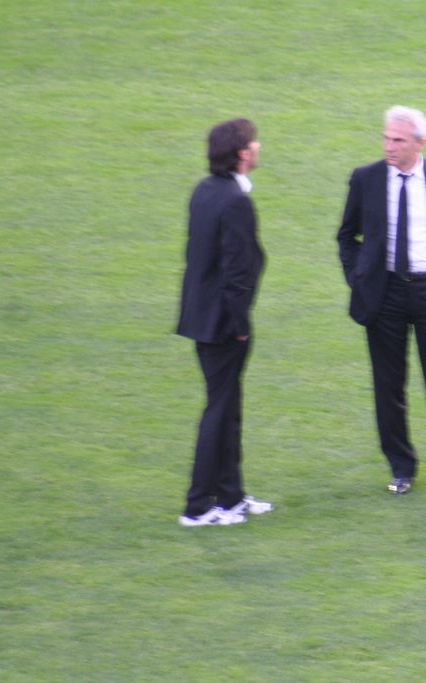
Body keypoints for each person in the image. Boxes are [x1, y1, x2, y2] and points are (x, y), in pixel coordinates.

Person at [337, 106, 426, 497]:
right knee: (388, 385)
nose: (389, 146)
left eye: (398, 140)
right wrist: (358, 279)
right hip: (384, 294)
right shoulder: (365, 178)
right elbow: (347, 235)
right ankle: (401, 468)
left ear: (420, 143)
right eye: (386, 138)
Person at [176, 118, 273, 527]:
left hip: (202, 317)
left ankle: (230, 498)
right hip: (223, 323)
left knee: (227, 407)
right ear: (242, 154)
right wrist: (240, 322)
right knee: (219, 410)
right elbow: (237, 270)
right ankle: (198, 506)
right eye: (254, 142)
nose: (259, 146)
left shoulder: (205, 190)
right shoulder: (235, 202)